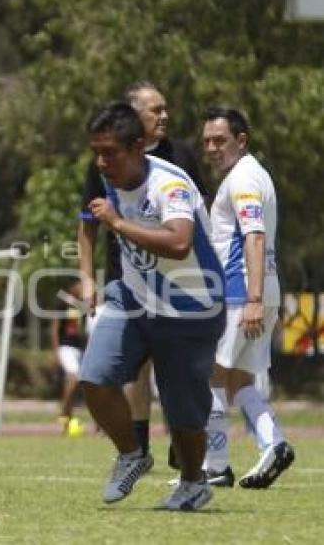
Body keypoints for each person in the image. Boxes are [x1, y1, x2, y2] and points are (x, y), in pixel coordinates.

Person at [78, 102, 225, 511]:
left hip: (191, 308)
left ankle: (194, 483)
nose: (102, 162)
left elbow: (179, 242)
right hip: (133, 297)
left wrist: (119, 224)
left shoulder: (169, 185)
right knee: (94, 377)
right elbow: (87, 221)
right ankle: (132, 453)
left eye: (111, 153)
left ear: (139, 146)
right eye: (97, 152)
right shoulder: (107, 176)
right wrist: (88, 275)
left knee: (183, 413)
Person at [201, 107, 294, 488]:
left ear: (242, 140)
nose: (211, 148)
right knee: (239, 382)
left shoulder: (241, 179)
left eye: (220, 140)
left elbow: (253, 236)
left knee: (211, 374)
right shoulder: (256, 174)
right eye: (207, 141)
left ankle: (215, 464)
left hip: (242, 292)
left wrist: (252, 298)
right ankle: (274, 443)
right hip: (262, 287)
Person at [50, 280, 87, 436]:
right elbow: (54, 329)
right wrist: (56, 351)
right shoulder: (62, 304)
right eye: (80, 286)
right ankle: (63, 413)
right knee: (73, 377)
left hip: (79, 348)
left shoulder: (81, 306)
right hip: (66, 347)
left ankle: (66, 418)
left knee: (80, 383)